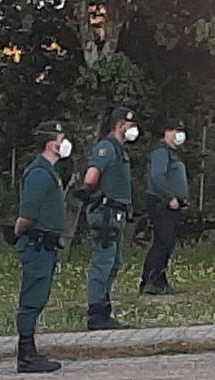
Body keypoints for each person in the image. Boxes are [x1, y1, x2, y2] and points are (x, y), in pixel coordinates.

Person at [5, 121, 70, 373]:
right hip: (36, 244)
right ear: (51, 142)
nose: (64, 142)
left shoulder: (48, 171)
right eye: (61, 137)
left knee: (38, 296)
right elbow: (28, 213)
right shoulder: (39, 173)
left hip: (45, 245)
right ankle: (26, 353)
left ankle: (29, 350)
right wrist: (17, 232)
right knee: (31, 298)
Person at [75, 106, 139, 330]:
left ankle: (104, 307)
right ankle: (96, 312)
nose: (133, 130)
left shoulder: (120, 150)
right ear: (121, 125)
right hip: (105, 213)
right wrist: (87, 188)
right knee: (102, 261)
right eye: (130, 126)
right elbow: (93, 172)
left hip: (117, 213)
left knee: (113, 262)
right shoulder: (106, 148)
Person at [141, 117, 189, 295]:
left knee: (167, 243)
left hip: (171, 204)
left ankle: (159, 280)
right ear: (167, 132)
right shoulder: (161, 152)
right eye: (176, 131)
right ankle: (150, 281)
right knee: (162, 242)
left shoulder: (172, 152)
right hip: (162, 203)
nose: (179, 135)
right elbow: (157, 176)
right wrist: (169, 197)